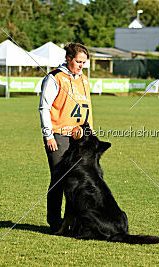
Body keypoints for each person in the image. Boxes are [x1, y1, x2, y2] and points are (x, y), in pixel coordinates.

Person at [39, 43, 93, 233]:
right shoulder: (55, 78)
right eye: (78, 61)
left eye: (84, 62)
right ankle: (55, 222)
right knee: (59, 179)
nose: (81, 66)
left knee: (77, 180)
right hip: (59, 136)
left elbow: (87, 108)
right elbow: (44, 108)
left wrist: (90, 134)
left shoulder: (85, 80)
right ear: (68, 58)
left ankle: (73, 222)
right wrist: (48, 135)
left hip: (80, 138)